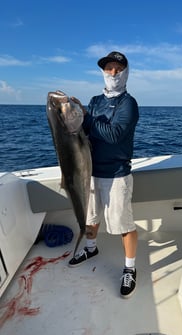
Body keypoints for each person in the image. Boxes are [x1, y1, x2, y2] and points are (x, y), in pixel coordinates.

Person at [68, 51, 139, 299]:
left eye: (118, 69)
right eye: (108, 68)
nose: (112, 73)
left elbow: (114, 135)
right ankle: (90, 248)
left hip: (117, 174)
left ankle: (130, 268)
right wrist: (73, 116)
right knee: (91, 216)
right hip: (91, 171)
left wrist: (86, 119)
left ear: (125, 72)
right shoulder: (96, 100)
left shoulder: (128, 103)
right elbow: (84, 131)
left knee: (123, 223)